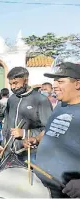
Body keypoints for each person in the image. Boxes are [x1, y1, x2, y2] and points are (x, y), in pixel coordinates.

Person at [24, 62, 80, 198]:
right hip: (42, 183)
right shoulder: (61, 105)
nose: (54, 85)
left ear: (77, 84)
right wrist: (37, 139)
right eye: (54, 81)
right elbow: (51, 130)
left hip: (66, 190)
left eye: (60, 81)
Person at [0, 67, 53, 162]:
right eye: (10, 84)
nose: (13, 87)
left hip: (30, 155)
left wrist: (25, 133)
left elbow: (49, 129)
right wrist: (3, 145)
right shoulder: (11, 99)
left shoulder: (41, 100)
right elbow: (6, 126)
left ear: (25, 80)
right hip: (9, 154)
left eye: (15, 83)